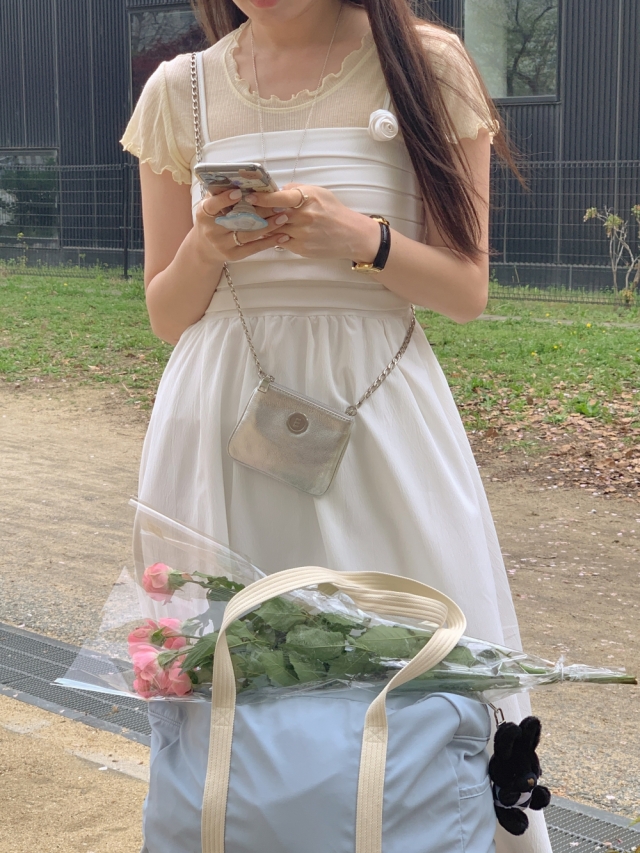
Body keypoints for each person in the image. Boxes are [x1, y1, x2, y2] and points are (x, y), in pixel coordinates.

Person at [122, 1, 552, 852]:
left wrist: (361, 237)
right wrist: (205, 249)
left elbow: (466, 289)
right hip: (219, 425)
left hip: (378, 421)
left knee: (418, 655)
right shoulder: (182, 89)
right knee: (229, 677)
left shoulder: (427, 64)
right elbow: (167, 314)